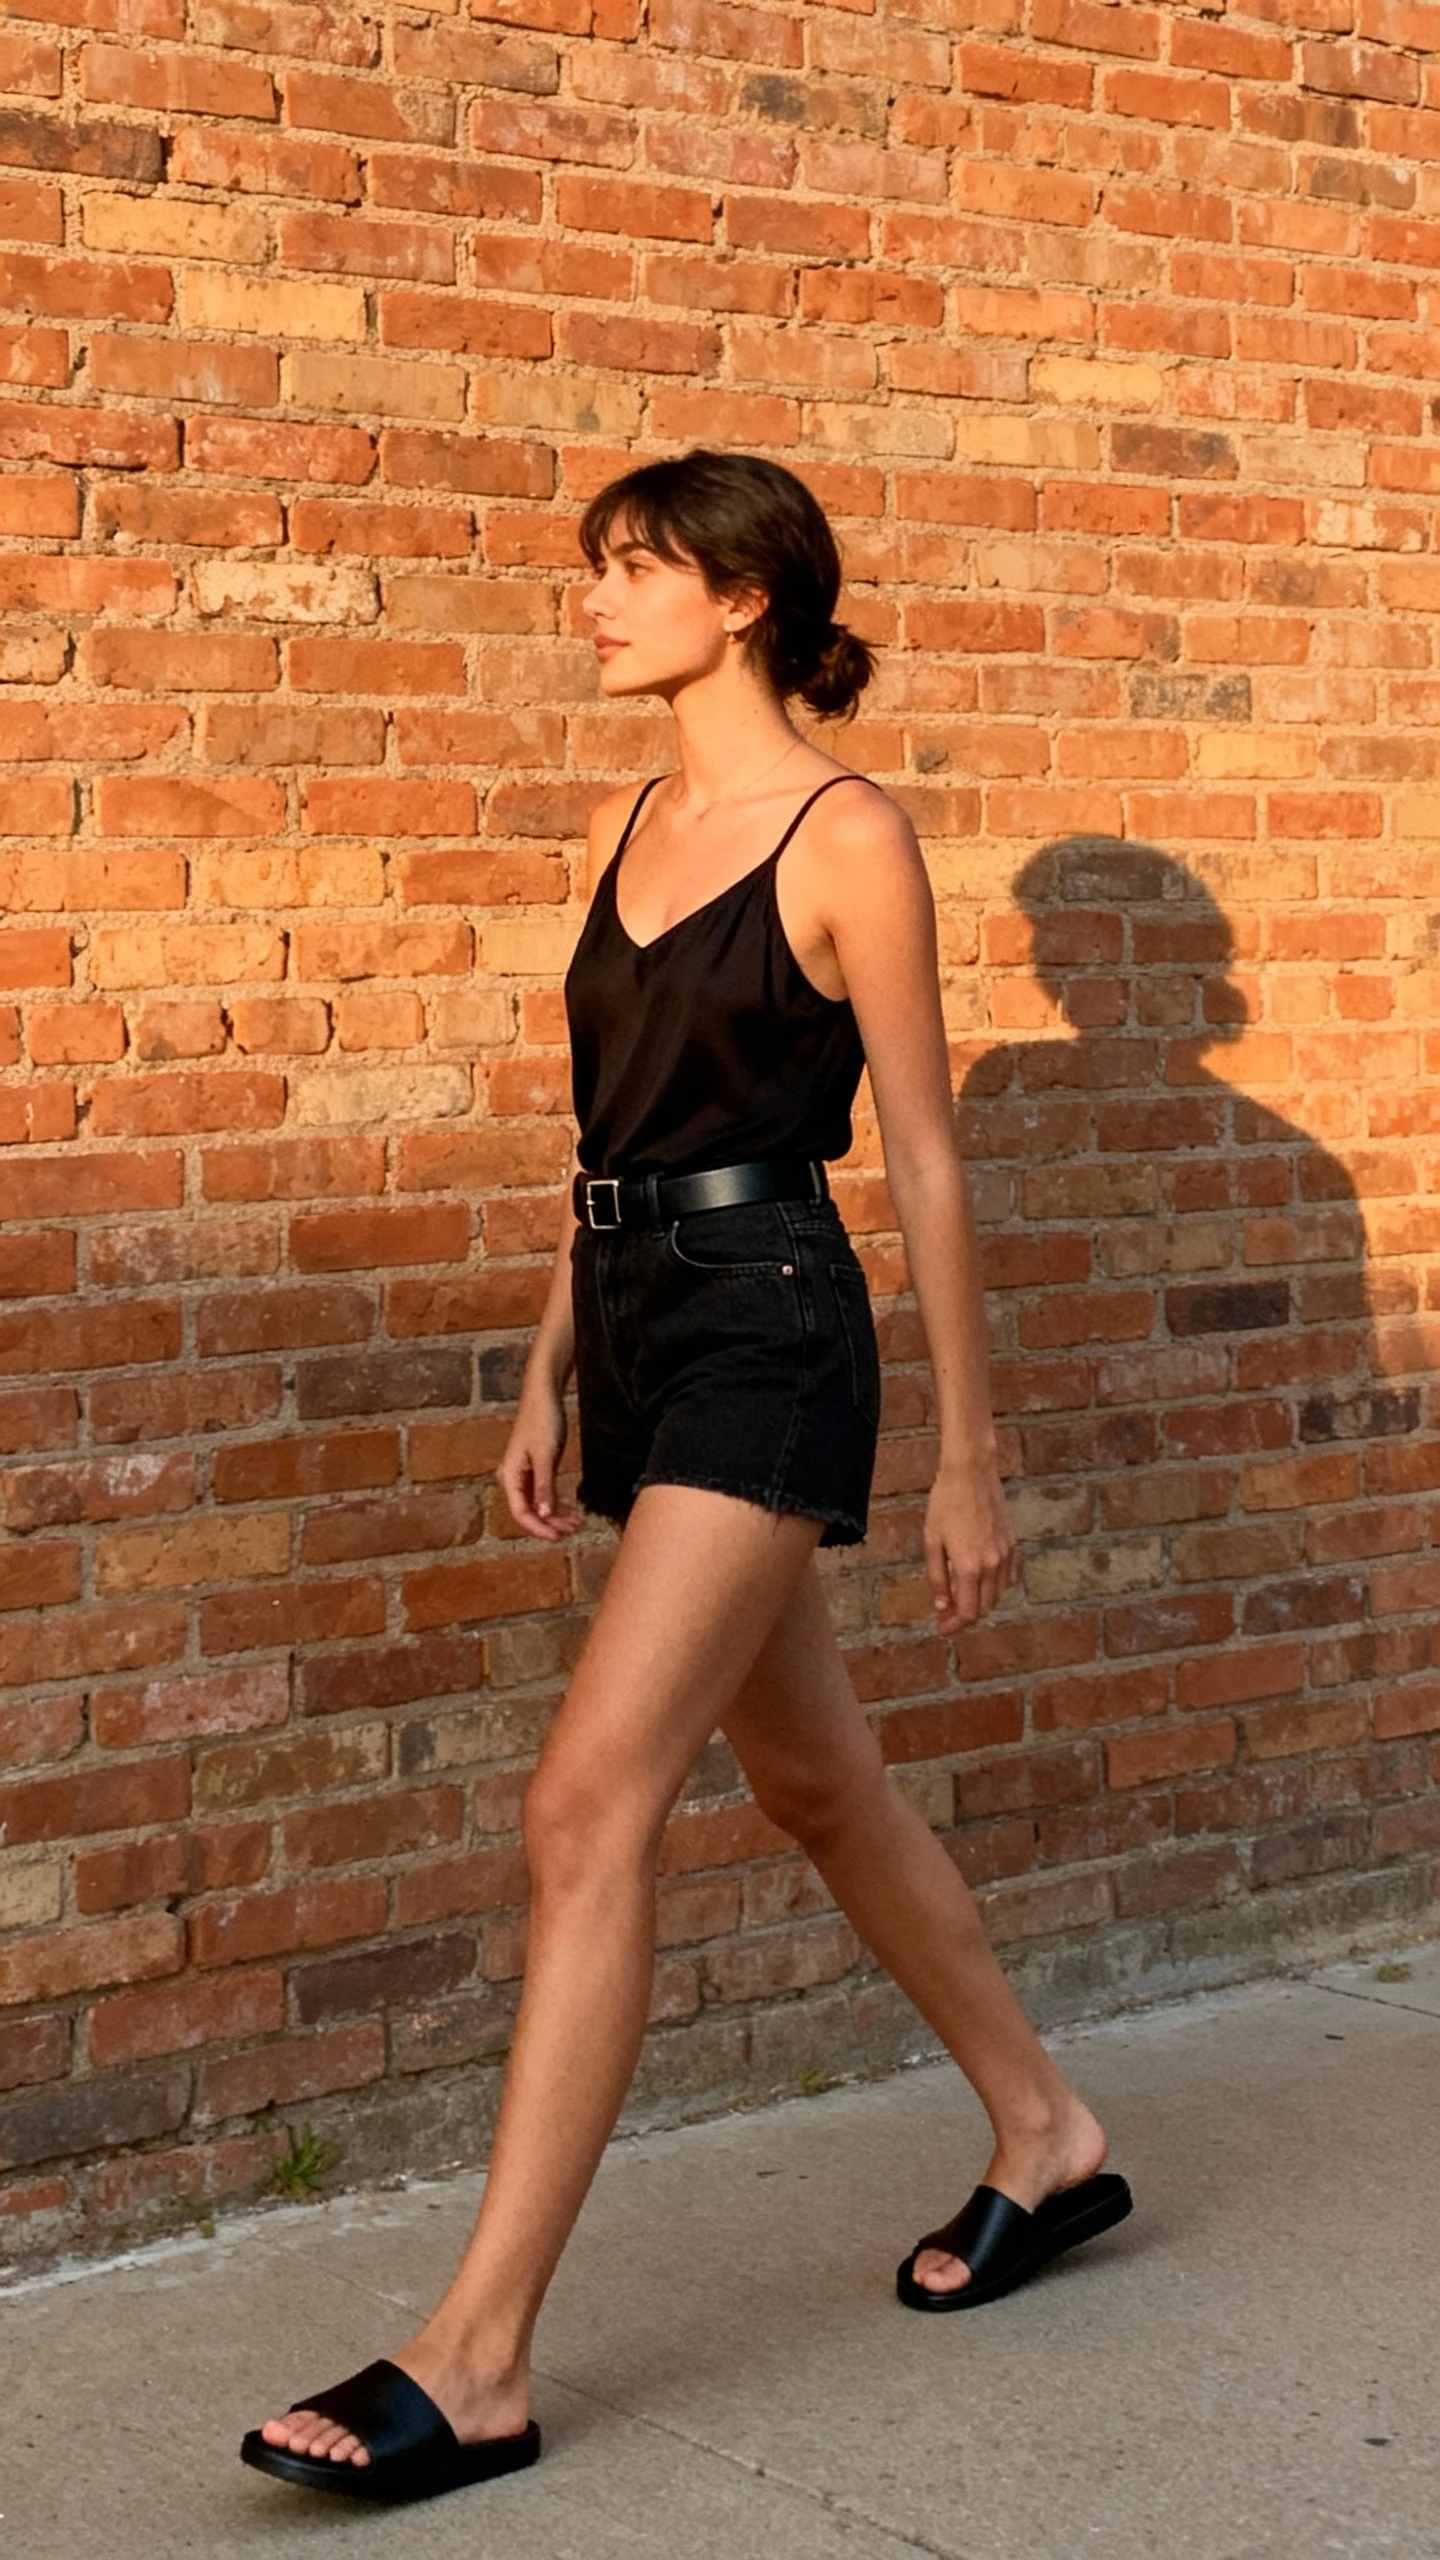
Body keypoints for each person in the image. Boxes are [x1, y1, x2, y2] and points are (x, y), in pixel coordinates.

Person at [241, 449, 1131, 2508]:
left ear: (746, 598)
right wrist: (555, 1361)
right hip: (638, 1320)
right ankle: (1048, 2129)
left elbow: (917, 1154)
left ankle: (474, 2356)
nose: (594, 600)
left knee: (586, 1798)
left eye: (632, 569)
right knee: (816, 1779)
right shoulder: (629, 817)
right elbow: (611, 1128)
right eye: (597, 570)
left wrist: (970, 1452)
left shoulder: (849, 837)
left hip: (769, 1324)